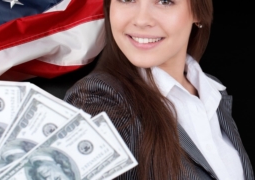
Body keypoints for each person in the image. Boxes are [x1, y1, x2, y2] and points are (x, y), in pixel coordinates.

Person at [64, 0, 254, 179]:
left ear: (198, 12)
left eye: (164, 1)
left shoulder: (212, 91)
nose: (141, 20)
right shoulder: (97, 99)